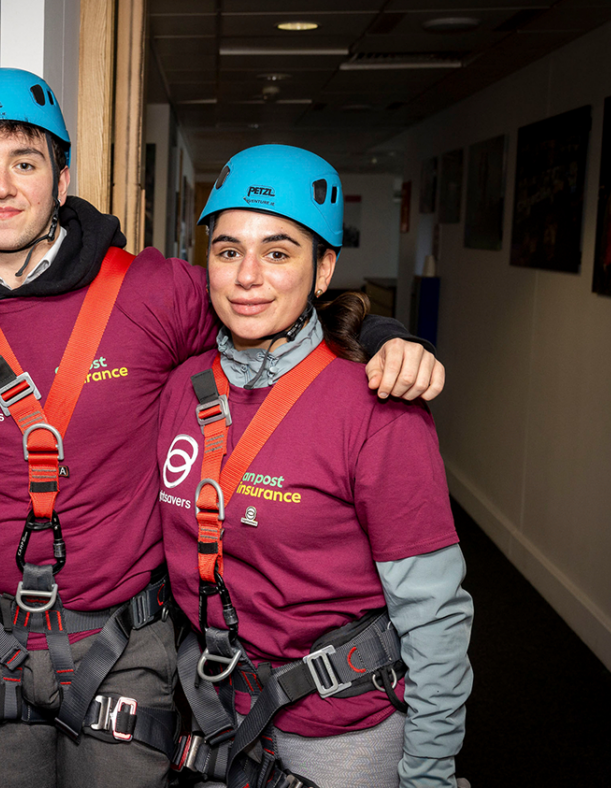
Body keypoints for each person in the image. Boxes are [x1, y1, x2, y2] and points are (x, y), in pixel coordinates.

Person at [0, 67, 446, 788]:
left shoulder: (154, 290)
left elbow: (265, 302)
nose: (2, 187)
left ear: (63, 177)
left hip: (123, 643)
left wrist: (385, 336)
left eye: (26, 163)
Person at [157, 144, 472, 788]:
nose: (247, 276)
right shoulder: (182, 386)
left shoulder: (377, 408)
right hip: (211, 715)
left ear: (323, 269)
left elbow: (436, 618)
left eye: (278, 252)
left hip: (340, 734)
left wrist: (430, 775)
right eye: (227, 251)